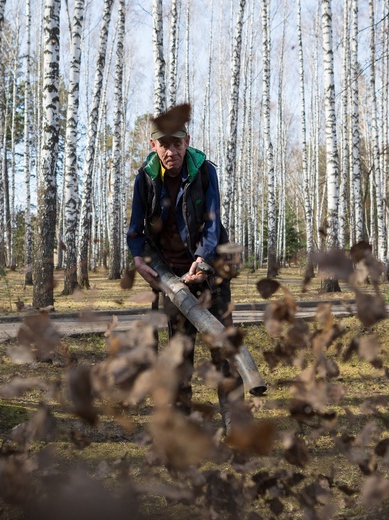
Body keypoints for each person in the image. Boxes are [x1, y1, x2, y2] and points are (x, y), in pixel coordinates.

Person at [126, 114, 243, 432]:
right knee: (179, 355)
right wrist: (138, 259)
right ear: (153, 145)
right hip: (172, 281)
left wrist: (203, 259)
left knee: (224, 350)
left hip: (210, 274)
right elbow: (136, 230)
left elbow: (213, 224)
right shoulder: (145, 179)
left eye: (177, 144)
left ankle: (235, 426)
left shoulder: (204, 172)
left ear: (186, 143)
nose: (170, 151)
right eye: (163, 145)